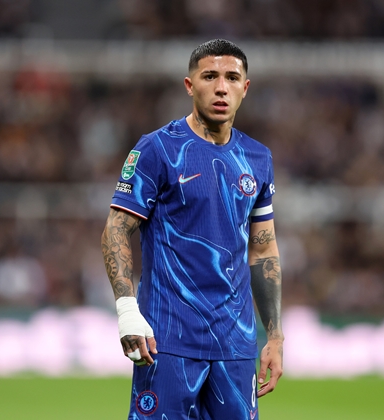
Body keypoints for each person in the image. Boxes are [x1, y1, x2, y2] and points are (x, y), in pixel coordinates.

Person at [101, 38, 284, 419]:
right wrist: (126, 310)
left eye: (232, 78)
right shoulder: (157, 150)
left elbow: (263, 250)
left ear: (245, 88)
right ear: (189, 85)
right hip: (167, 341)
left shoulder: (257, 159)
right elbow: (116, 229)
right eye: (210, 76)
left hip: (236, 344)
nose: (221, 87)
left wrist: (275, 335)